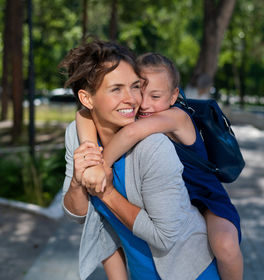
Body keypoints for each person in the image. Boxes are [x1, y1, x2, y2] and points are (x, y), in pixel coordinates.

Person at [60, 40, 220, 280]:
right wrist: (77, 181)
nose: (132, 99)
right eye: (116, 89)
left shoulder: (154, 146)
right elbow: (78, 215)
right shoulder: (78, 134)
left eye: (135, 87)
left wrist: (106, 192)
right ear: (87, 99)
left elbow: (166, 237)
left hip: (190, 272)